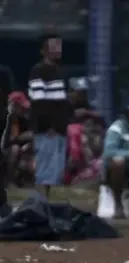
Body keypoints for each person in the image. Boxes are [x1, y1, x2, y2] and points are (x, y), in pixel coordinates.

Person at [27, 33, 69, 199]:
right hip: (47, 129)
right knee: (45, 168)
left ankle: (48, 202)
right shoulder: (39, 71)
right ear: (44, 50)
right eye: (54, 46)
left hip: (59, 129)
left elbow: (60, 102)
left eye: (59, 46)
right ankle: (39, 203)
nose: (58, 50)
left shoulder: (58, 71)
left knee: (55, 169)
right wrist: (47, 126)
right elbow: (38, 102)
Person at [65, 78, 104, 184]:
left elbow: (101, 121)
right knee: (73, 131)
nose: (82, 95)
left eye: (84, 92)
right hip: (66, 148)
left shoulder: (88, 108)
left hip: (87, 150)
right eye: (79, 93)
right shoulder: (63, 107)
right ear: (70, 93)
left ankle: (90, 169)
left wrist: (87, 113)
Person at [2, 91, 34, 186]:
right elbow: (12, 138)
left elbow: (33, 134)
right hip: (7, 148)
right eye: (21, 107)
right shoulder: (8, 117)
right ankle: (9, 180)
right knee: (15, 150)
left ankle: (24, 180)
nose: (24, 109)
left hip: (14, 146)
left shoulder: (23, 118)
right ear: (13, 105)